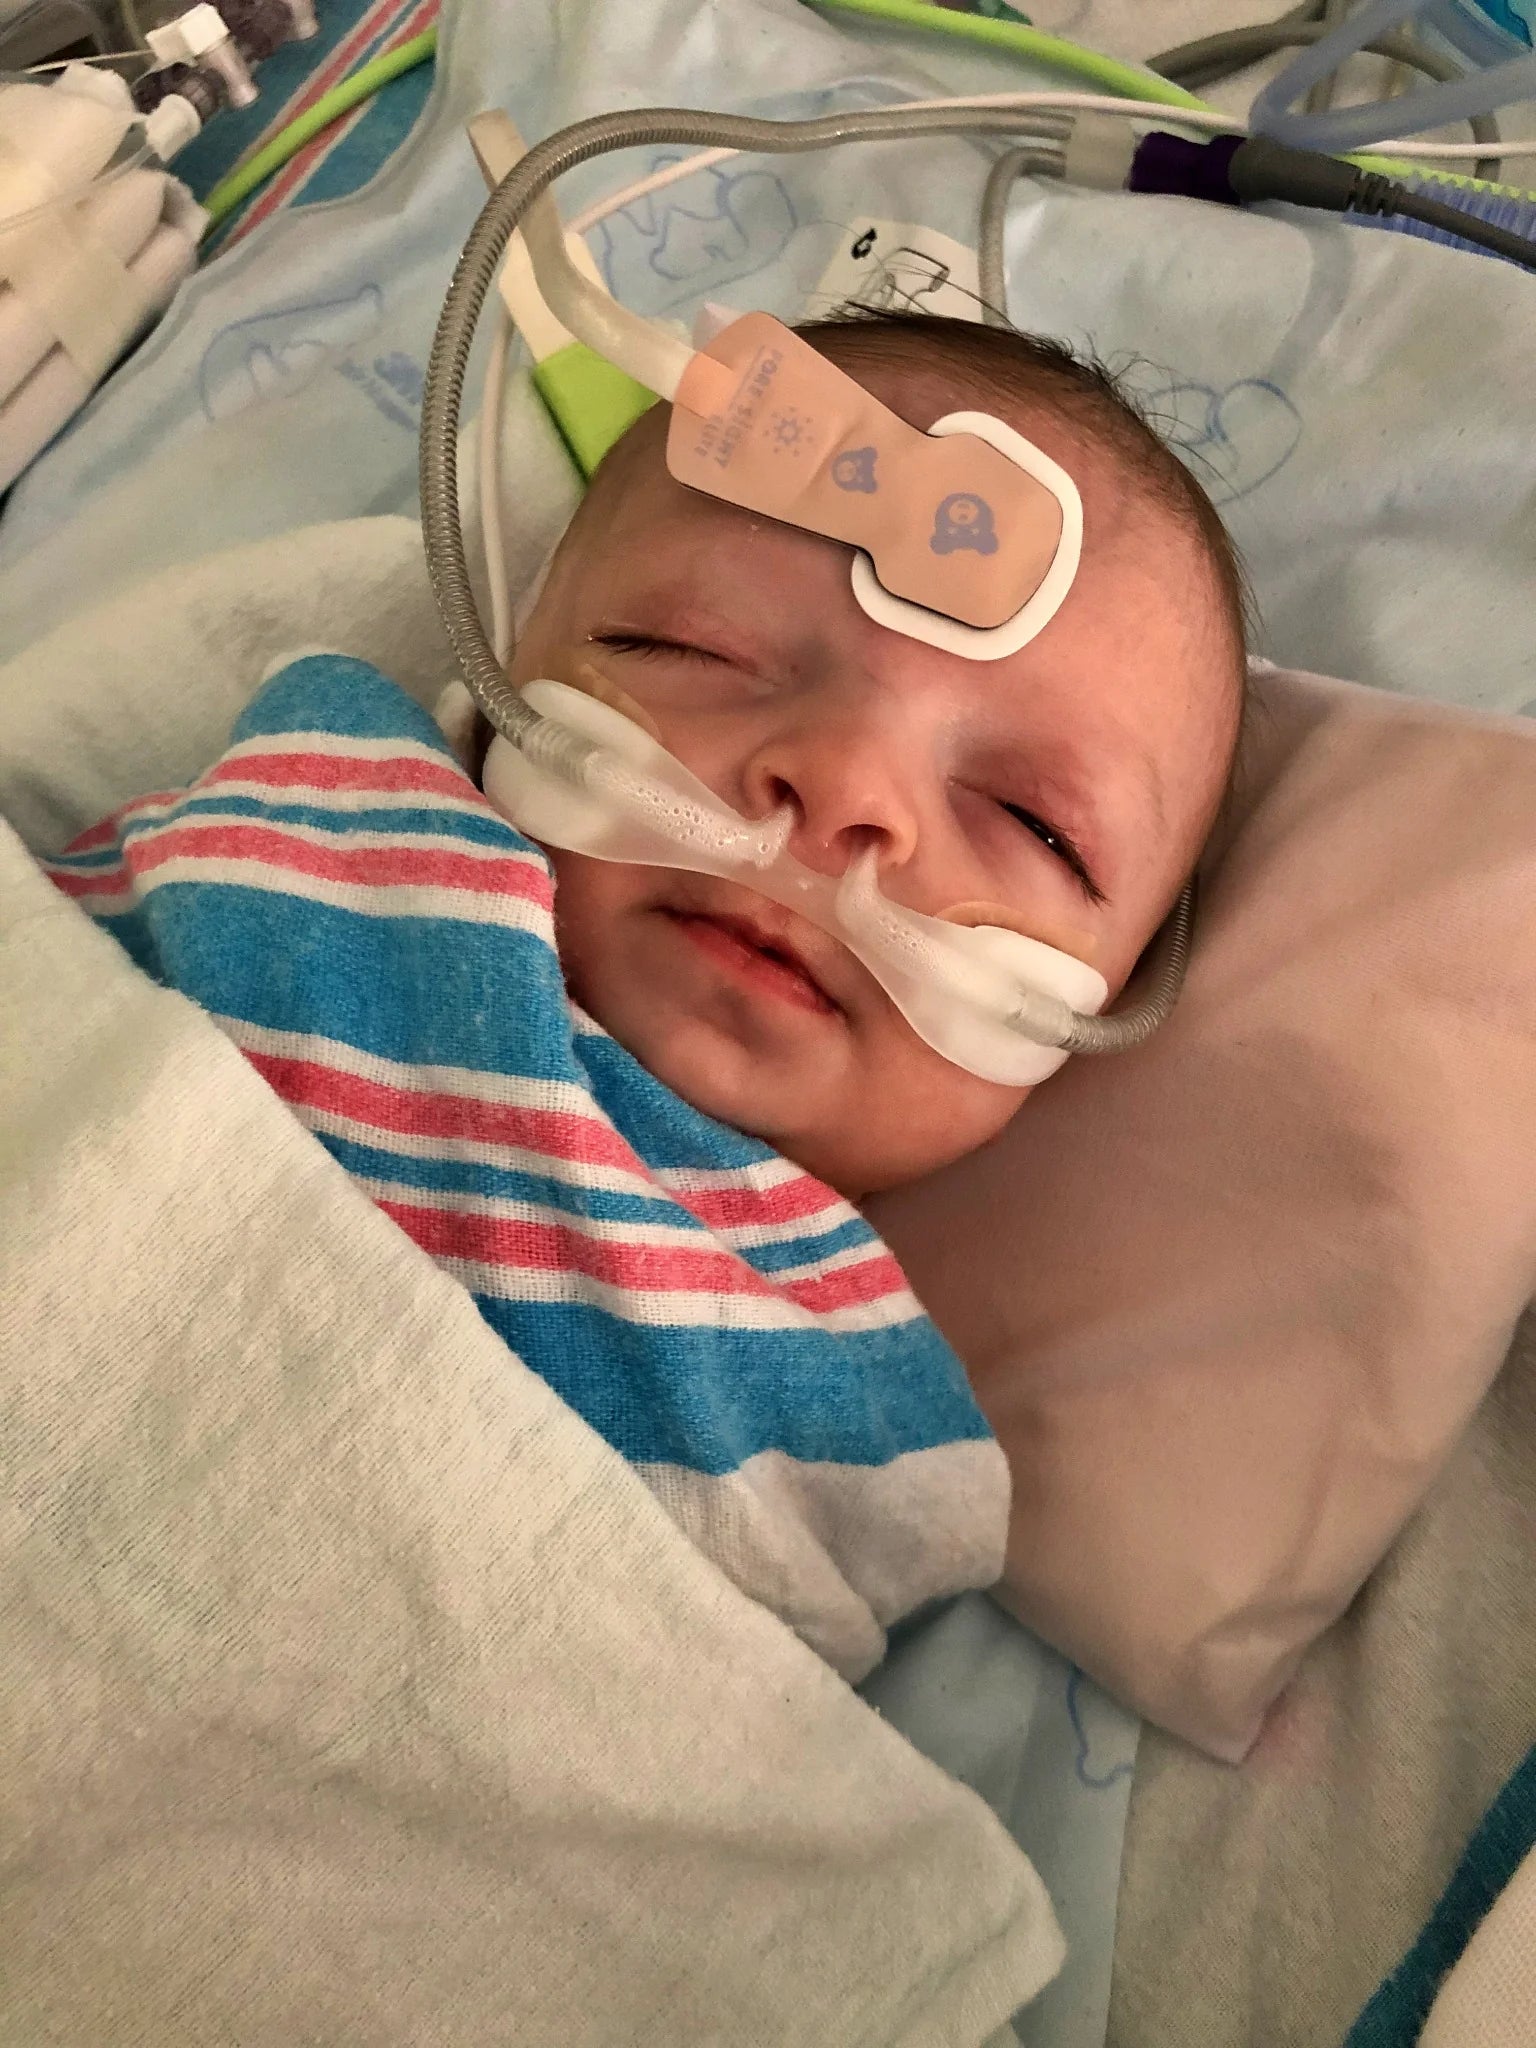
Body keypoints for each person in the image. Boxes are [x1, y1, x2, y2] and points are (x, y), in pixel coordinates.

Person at [42, 311, 1247, 1675]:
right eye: (695, 649)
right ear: (508, 658)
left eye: (1036, 825)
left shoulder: (856, 1428)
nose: (842, 791)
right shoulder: (313, 828)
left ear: (1120, 993)